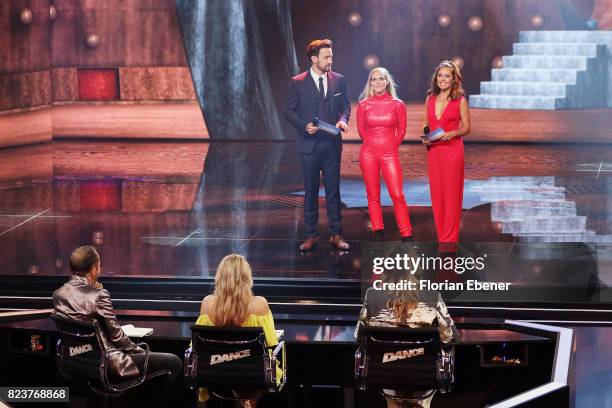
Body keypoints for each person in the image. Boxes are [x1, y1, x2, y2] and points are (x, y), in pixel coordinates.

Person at [52, 246, 182, 395]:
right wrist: (142, 352)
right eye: (99, 265)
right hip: (109, 365)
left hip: (77, 363)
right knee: (174, 362)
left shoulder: (58, 294)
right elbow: (117, 337)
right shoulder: (99, 295)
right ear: (94, 270)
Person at [356, 248, 458, 408]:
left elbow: (359, 336)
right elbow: (450, 337)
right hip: (423, 377)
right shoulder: (431, 297)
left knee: (392, 382)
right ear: (417, 268)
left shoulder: (372, 296)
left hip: (386, 374)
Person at [283, 39, 351, 251]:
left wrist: (343, 120)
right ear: (314, 59)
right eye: (326, 57)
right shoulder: (298, 82)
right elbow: (288, 111)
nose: (331, 60)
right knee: (311, 191)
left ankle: (336, 234)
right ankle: (311, 235)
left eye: (331, 56)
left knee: (333, 191)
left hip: (331, 145)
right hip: (309, 145)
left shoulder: (339, 80)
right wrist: (304, 126)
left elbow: (346, 106)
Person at [195, 254, 282, 408]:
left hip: (216, 371)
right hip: (252, 374)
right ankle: (246, 399)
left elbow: (196, 345)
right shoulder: (260, 304)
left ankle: (239, 396)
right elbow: (271, 342)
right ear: (246, 277)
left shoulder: (207, 304)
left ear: (219, 277)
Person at [357, 67, 413, 242]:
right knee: (373, 194)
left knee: (397, 194)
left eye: (381, 79)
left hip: (389, 153)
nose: (378, 82)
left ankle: (406, 233)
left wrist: (390, 147)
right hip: (368, 154)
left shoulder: (398, 104)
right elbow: (361, 130)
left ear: (387, 81)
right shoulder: (363, 104)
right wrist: (372, 146)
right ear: (370, 83)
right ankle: (378, 229)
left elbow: (402, 130)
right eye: (374, 79)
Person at [421, 60, 471, 253]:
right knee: (437, 195)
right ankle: (442, 238)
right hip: (434, 151)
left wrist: (451, 133)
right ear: (436, 78)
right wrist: (426, 138)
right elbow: (426, 125)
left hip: (452, 150)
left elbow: (467, 128)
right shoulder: (430, 98)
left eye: (447, 76)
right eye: (440, 75)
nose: (443, 79)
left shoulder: (460, 100)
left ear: (453, 79)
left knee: (451, 196)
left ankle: (449, 241)